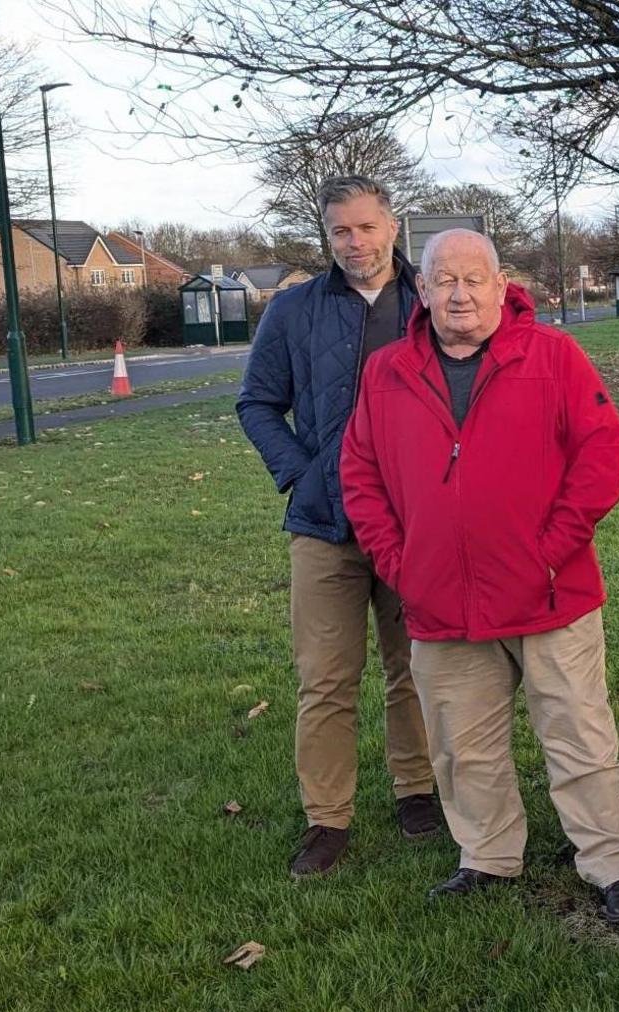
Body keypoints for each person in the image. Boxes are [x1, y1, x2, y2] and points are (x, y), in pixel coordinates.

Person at [338, 229, 619, 923]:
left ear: (500, 284)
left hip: (550, 593)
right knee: (461, 744)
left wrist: (554, 547)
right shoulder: (387, 372)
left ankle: (613, 864)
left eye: (473, 279)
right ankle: (487, 856)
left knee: (579, 734)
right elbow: (359, 474)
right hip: (441, 603)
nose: (459, 293)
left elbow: (603, 450)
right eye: (443, 280)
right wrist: (400, 564)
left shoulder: (553, 356)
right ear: (420, 290)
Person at [235, 174, 439, 879]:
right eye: (339, 232)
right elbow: (257, 403)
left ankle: (417, 788)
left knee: (413, 666)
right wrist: (302, 472)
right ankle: (328, 816)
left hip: (415, 523)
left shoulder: (431, 300)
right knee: (325, 678)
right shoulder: (292, 311)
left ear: (392, 226)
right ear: (326, 238)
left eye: (365, 227)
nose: (355, 242)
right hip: (324, 524)